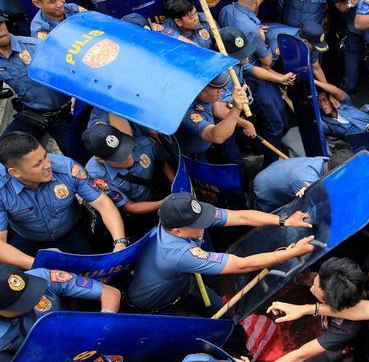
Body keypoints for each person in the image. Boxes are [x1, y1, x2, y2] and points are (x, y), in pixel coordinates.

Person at [126, 192, 314, 314]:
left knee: (223, 313)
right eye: (199, 224)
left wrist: (284, 221)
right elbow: (242, 264)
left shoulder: (184, 215)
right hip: (156, 305)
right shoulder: (177, 253)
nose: (206, 222)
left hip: (182, 282)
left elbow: (239, 216)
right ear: (177, 232)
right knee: (208, 329)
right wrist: (291, 253)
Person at [0, 132, 127, 268]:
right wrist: (41, 265)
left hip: (72, 232)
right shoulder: (2, 189)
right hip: (26, 239)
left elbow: (103, 203)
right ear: (15, 172)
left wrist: (120, 242)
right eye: (38, 164)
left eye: (45, 156)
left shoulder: (68, 169)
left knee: (94, 269)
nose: (47, 164)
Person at [219, 0, 294, 153]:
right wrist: (265, 39)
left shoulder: (226, 10)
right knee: (275, 123)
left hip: (246, 73)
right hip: (253, 78)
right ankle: (270, 159)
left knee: (278, 114)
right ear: (258, 1)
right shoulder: (251, 29)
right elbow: (267, 61)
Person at [0, 264, 121, 362]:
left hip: (85, 335)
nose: (35, 298)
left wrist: (103, 327)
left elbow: (109, 293)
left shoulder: (39, 278)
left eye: (29, 289)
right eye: (24, 300)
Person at [0, 15, 75, 155]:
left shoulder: (36, 46)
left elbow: (70, 71)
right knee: (6, 149)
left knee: (77, 154)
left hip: (62, 114)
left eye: (0, 24)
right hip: (31, 114)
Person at [83, 123, 172, 218]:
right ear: (100, 160)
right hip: (141, 212)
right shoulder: (98, 177)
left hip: (162, 190)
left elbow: (163, 159)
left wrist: (174, 182)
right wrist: (165, 203)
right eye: (118, 157)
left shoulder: (143, 144)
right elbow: (129, 207)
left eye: (125, 149)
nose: (128, 157)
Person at [252, 150, 353, 212]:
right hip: (261, 195)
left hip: (273, 172)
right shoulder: (305, 180)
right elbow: (315, 208)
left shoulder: (325, 161)